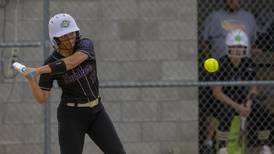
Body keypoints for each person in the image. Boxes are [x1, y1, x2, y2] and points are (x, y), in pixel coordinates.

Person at [19, 13, 126, 154]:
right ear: (55, 39)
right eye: (64, 37)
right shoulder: (50, 63)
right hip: (71, 116)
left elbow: (70, 62)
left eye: (71, 34)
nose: (70, 40)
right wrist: (31, 80)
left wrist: (37, 70)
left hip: (97, 111)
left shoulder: (85, 44)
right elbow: (42, 98)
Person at [211, 29, 273, 154]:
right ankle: (223, 148)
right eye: (235, 46)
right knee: (226, 113)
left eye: (241, 46)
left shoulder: (248, 62)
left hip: (243, 100)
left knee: (263, 112)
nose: (238, 49)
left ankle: (264, 146)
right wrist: (237, 107)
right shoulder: (221, 64)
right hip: (226, 101)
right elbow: (217, 93)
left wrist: (249, 101)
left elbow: (253, 88)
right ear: (229, 46)